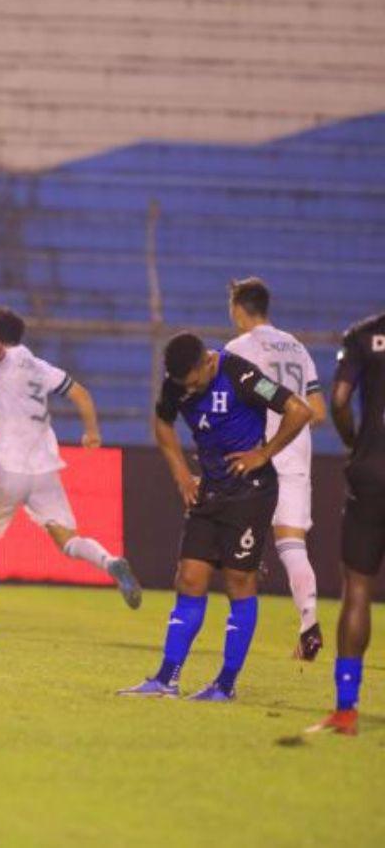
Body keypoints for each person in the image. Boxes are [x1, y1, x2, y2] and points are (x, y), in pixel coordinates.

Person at [119, 332, 312, 701]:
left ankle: (225, 685)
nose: (189, 389)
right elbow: (162, 424)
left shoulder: (243, 376)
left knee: (239, 581)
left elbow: (299, 410)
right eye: (183, 385)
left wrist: (264, 453)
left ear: (207, 363)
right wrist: (180, 475)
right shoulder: (176, 385)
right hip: (209, 491)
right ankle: (166, 679)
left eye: (194, 382)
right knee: (189, 577)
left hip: (250, 493)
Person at [0, 307, 142, 635]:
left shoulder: (2, 359)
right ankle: (110, 562)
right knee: (67, 540)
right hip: (45, 469)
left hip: (9, 467)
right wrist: (92, 432)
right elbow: (81, 393)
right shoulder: (40, 366)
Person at [224, 277, 326, 660]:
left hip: (256, 454)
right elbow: (317, 412)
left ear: (238, 308)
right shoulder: (298, 347)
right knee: (293, 545)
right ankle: (309, 624)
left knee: (232, 537)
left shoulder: (238, 349)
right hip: (296, 454)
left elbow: (227, 404)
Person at [307, 311, 385, 736]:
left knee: (358, 586)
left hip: (372, 472)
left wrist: (356, 442)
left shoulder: (363, 336)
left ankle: (346, 711)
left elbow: (337, 401)